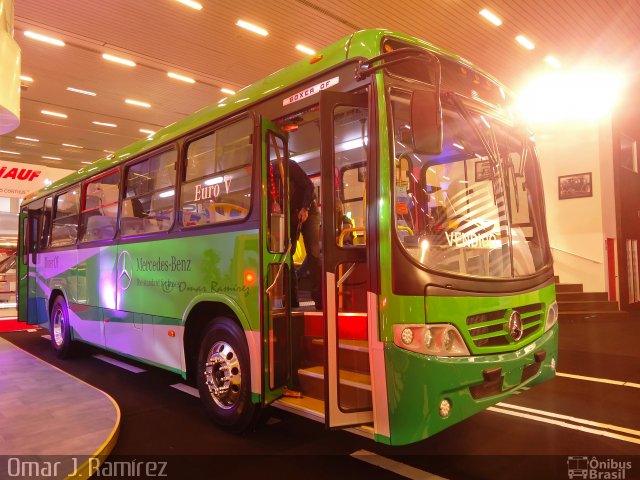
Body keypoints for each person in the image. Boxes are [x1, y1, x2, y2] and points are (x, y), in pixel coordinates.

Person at [288, 159, 322, 310]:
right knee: (287, 254)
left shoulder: (289, 165)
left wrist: (305, 207)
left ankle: (320, 299)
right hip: (290, 215)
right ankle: (292, 300)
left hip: (308, 210)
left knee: (313, 253)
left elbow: (309, 185)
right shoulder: (263, 180)